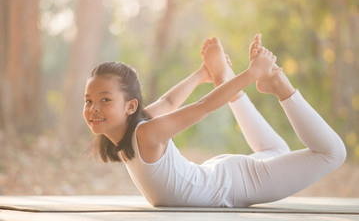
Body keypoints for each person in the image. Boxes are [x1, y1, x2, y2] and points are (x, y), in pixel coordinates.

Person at [83, 34, 346, 207]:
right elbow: (169, 102)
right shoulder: (136, 130)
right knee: (277, 153)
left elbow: (204, 106)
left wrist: (251, 72)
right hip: (221, 176)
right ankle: (248, 80)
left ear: (130, 106)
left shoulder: (146, 135)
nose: (94, 108)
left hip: (234, 183)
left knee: (333, 153)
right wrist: (201, 74)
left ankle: (279, 85)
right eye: (89, 101)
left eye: (105, 100)